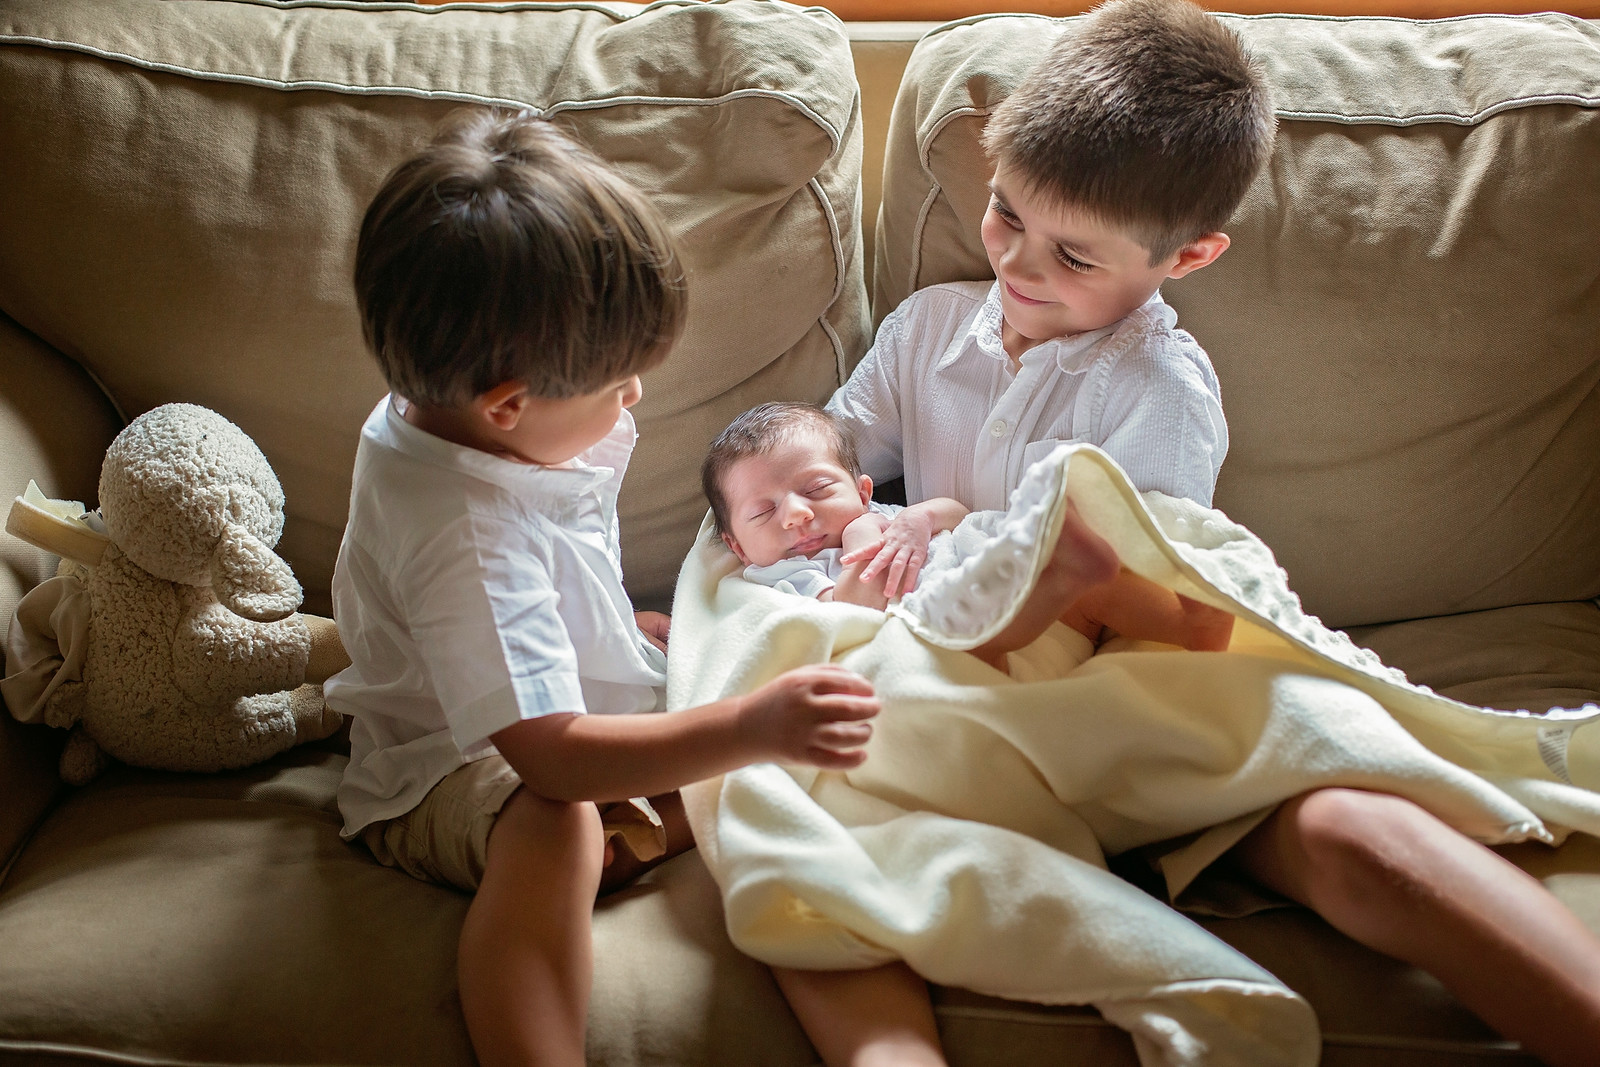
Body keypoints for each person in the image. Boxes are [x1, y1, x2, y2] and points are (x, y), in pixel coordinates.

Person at [783, 2, 1600, 1065]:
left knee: (1362, 843)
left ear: (1190, 255)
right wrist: (851, 535)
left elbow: (1169, 602)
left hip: (1141, 689)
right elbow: (822, 480)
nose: (1022, 266)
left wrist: (1040, 571)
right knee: (826, 835)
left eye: (1075, 255)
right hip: (978, 702)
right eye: (1005, 216)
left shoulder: (1157, 388)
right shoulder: (926, 331)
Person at [325, 109, 884, 1067]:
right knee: (556, 824)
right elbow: (546, 759)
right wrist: (748, 725)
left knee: (772, 765)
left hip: (561, 703)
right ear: (510, 403)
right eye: (618, 385)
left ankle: (649, 823)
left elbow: (548, 558)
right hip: (452, 768)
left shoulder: (479, 414)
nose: (633, 399)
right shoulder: (458, 527)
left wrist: (609, 627)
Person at [701, 401, 1234, 667]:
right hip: (953, 637)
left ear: (864, 489)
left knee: (1099, 577)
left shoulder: (884, 510)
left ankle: (1191, 626)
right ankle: (1054, 580)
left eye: (817, 489)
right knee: (978, 609)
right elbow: (854, 614)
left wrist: (919, 518)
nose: (796, 515)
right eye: (764, 513)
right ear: (737, 545)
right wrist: (866, 532)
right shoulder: (780, 577)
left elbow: (959, 514)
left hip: (997, 570)